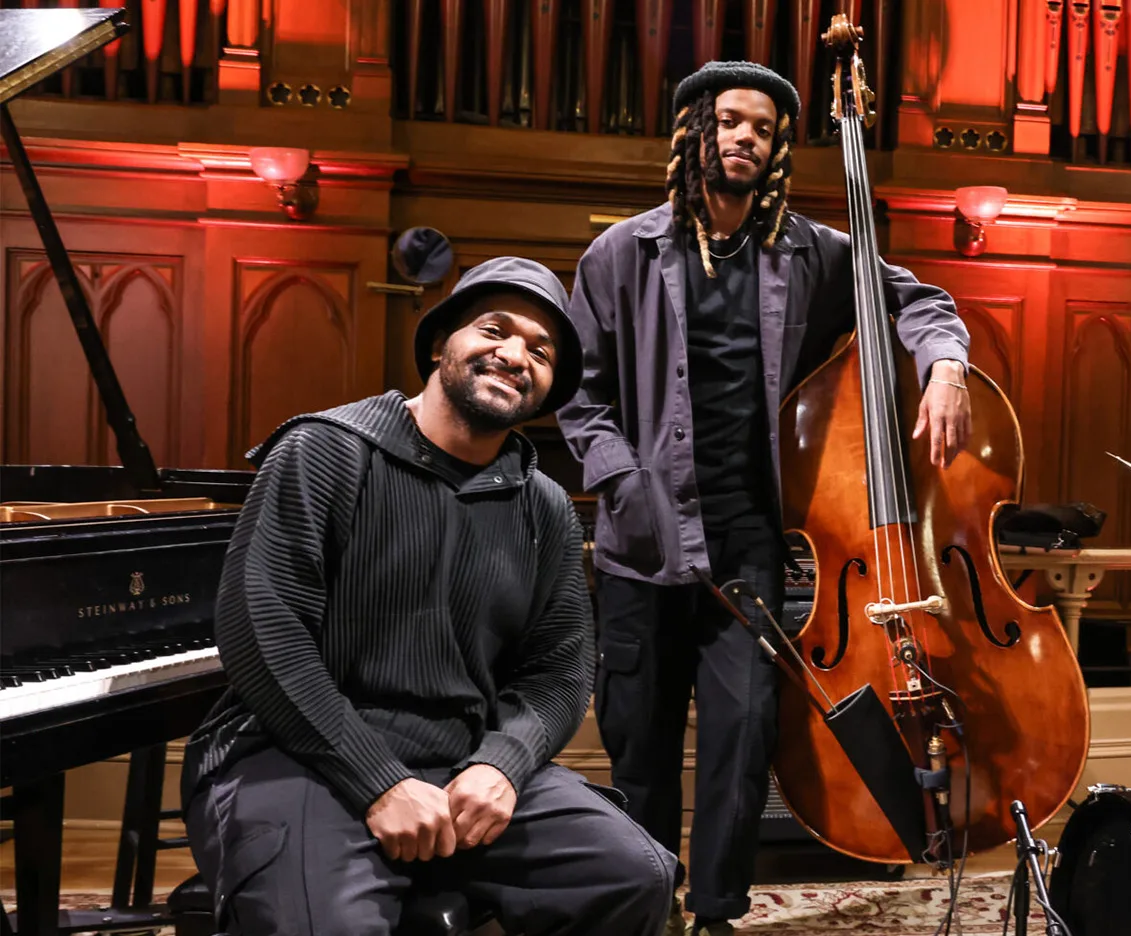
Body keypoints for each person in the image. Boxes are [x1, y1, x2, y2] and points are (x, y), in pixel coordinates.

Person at [553, 61, 972, 936]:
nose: (746, 138)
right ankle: (644, 905)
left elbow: (919, 300)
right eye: (731, 122)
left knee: (741, 750)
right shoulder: (618, 253)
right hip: (644, 545)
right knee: (641, 745)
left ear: (779, 149)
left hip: (751, 551)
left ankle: (715, 914)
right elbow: (580, 396)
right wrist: (624, 481)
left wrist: (944, 365)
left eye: (766, 130)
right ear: (694, 131)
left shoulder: (816, 252)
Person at [180, 257, 676, 936]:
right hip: (295, 753)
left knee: (634, 873)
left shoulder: (546, 507)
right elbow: (263, 632)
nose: (515, 355)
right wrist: (377, 780)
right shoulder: (324, 450)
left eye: (541, 350)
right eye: (494, 330)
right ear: (441, 344)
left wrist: (503, 765)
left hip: (462, 761)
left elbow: (559, 673)